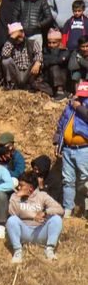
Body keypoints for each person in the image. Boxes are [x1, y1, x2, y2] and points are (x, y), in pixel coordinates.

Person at [6, 169, 62, 263]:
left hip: (39, 231)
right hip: (24, 232)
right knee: (11, 220)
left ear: (30, 187)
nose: (19, 187)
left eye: (22, 185)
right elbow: (12, 214)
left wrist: (45, 212)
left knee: (57, 219)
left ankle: (49, 250)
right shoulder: (15, 197)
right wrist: (16, 198)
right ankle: (18, 251)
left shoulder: (42, 195)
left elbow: (60, 209)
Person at [52, 81, 88, 217]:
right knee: (68, 180)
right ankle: (68, 210)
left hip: (84, 149)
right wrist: (57, 142)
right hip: (68, 148)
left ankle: (86, 209)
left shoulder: (82, 105)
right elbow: (61, 124)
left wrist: (79, 108)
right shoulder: (69, 106)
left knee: (86, 180)